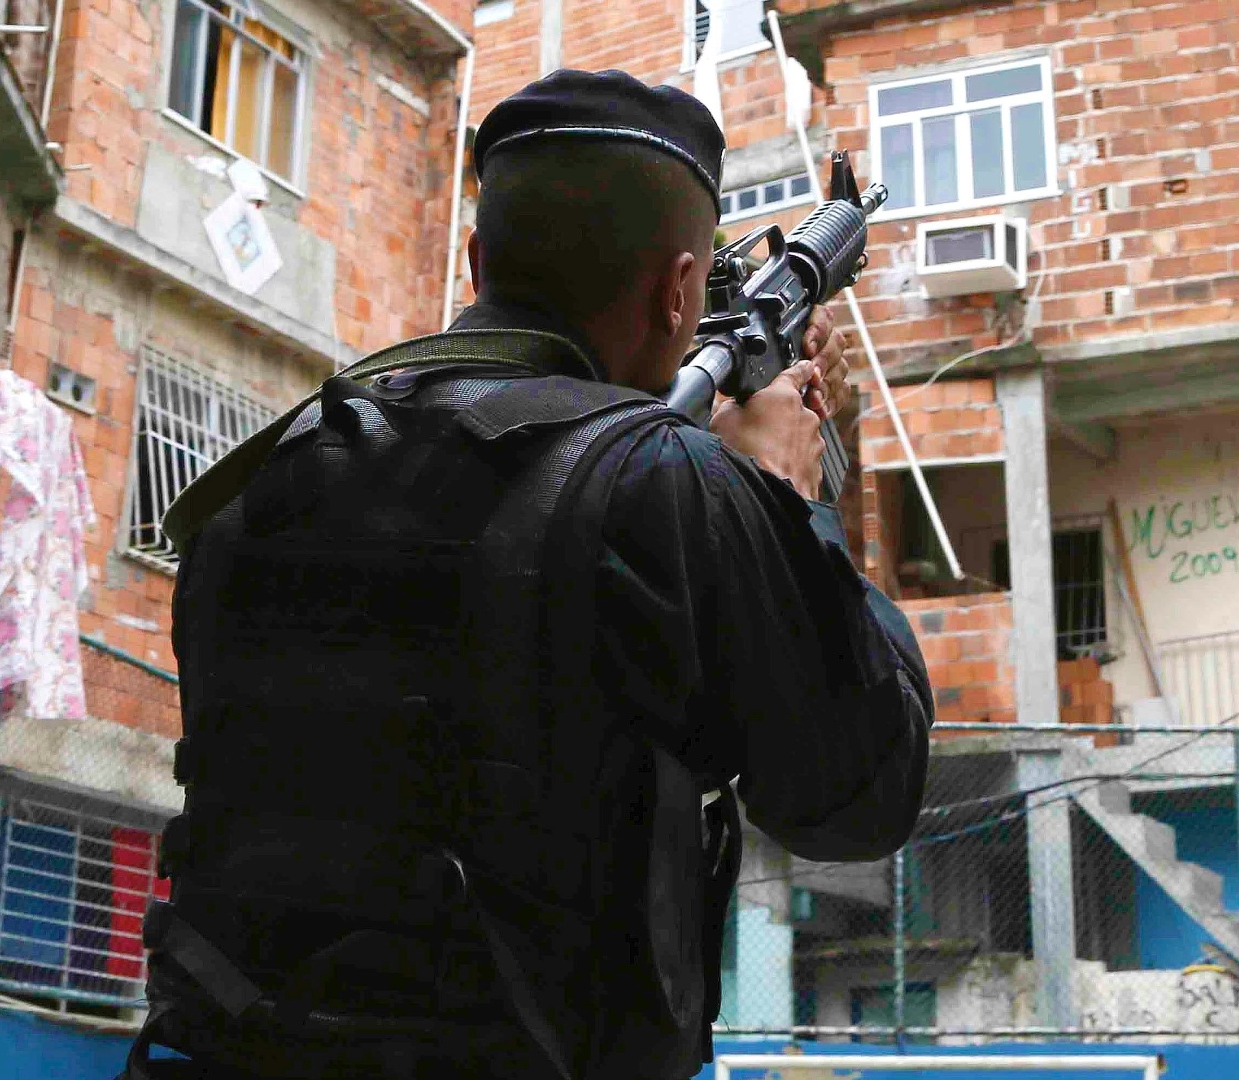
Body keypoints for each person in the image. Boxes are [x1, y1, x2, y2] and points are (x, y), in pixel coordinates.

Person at [124, 70, 931, 1080]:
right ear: (682, 290)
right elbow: (857, 792)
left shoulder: (266, 480)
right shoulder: (667, 484)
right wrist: (786, 491)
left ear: (475, 259)